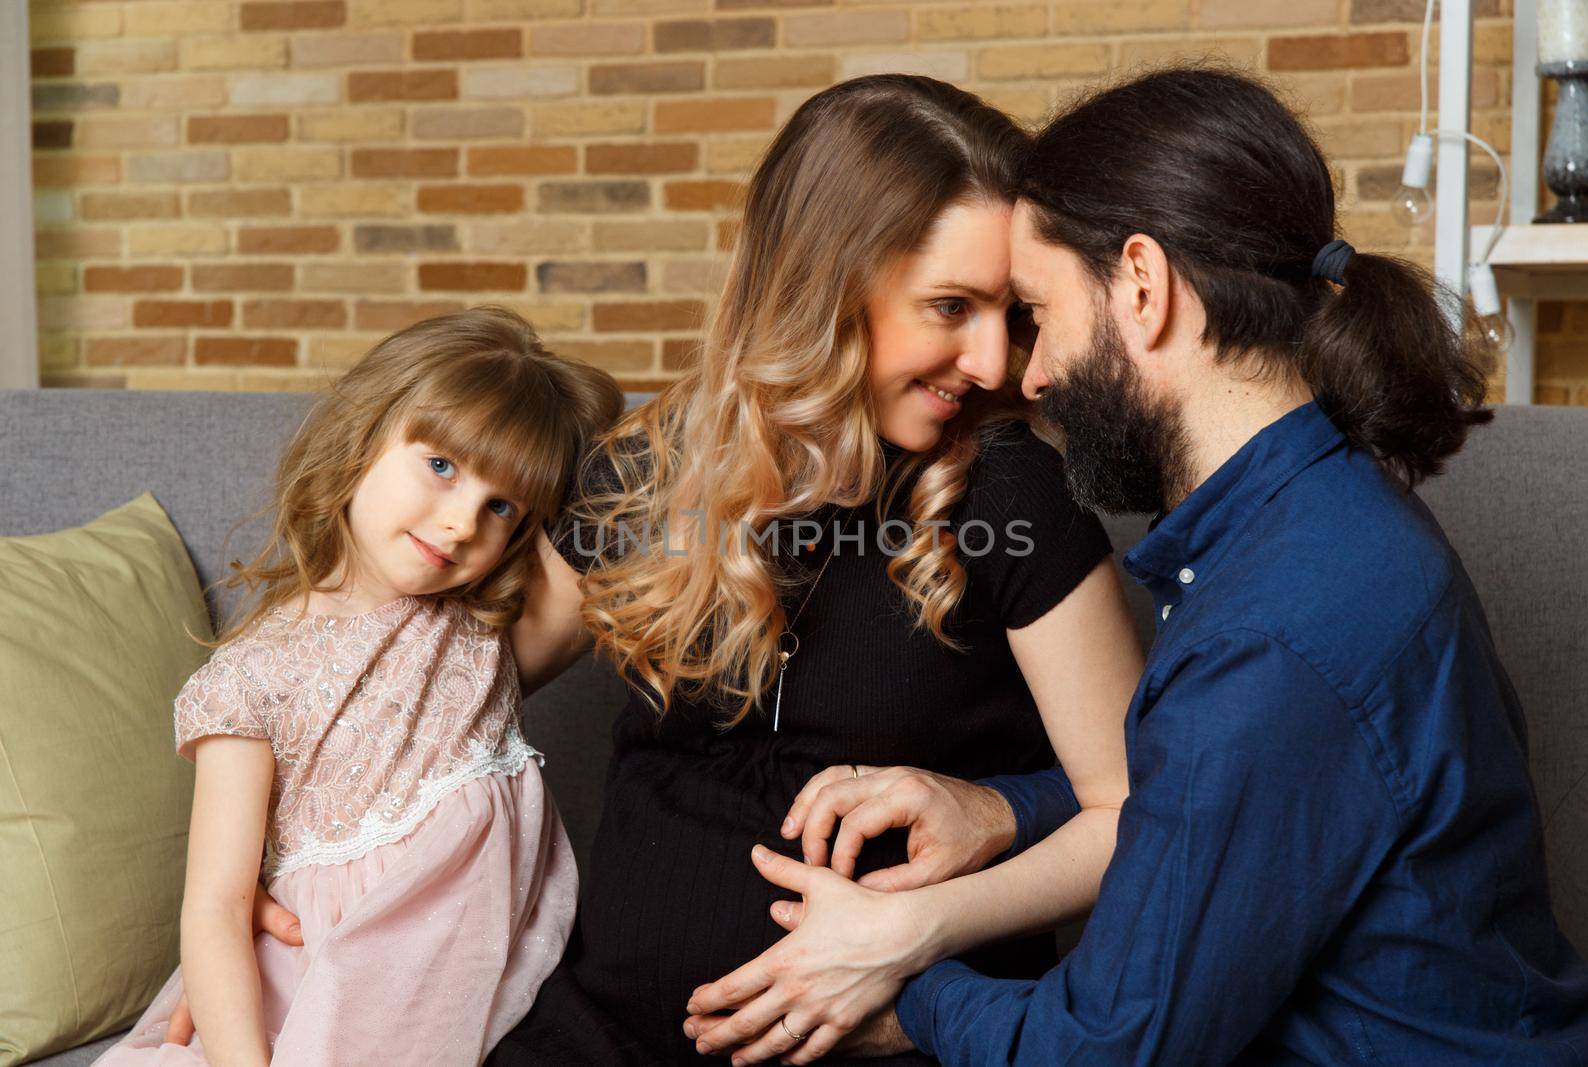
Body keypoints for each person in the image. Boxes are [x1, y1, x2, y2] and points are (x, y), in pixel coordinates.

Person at [679, 65, 1588, 1065]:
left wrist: (905, 980)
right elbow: (1221, 796)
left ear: (1143, 286)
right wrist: (1001, 808)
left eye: (1039, 313)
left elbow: (1110, 1046)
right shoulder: (1301, 525)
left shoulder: (1277, 629)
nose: (1024, 375)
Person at [487, 74, 1147, 1065]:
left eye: (1007, 314)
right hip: (604, 1036)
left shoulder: (1012, 495)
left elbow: (1139, 810)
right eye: (950, 306)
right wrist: (261, 907)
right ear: (826, 283)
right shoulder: (650, 472)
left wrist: (917, 929)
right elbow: (437, 697)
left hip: (894, 1038)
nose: (992, 362)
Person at [94, 308, 622, 1066]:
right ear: (365, 432)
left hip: (498, 1006)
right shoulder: (253, 675)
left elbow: (651, 479)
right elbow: (216, 905)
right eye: (441, 466)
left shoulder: (479, 637)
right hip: (321, 993)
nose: (460, 523)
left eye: (500, 505)